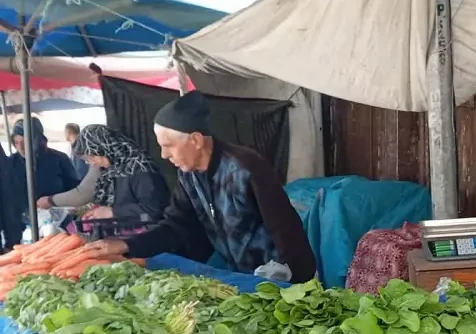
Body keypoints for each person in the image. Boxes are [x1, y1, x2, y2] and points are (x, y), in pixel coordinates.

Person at [83, 92, 315, 280]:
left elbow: (284, 227)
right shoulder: (189, 175)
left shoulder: (245, 167)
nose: (164, 155)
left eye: (169, 146)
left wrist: (295, 276)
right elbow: (176, 226)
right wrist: (126, 245)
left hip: (275, 276)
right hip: (241, 275)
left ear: (195, 140)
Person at [38, 125, 169, 226]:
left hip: (147, 240)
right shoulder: (114, 168)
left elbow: (155, 211)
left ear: (105, 149)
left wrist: (112, 212)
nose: (91, 163)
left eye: (92, 157)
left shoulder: (141, 170)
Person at [2, 117, 81, 246]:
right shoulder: (10, 164)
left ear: (36, 140)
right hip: (21, 232)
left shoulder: (59, 159)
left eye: (25, 141)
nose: (20, 146)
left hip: (58, 229)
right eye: (16, 142)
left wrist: (64, 204)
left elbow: (76, 190)